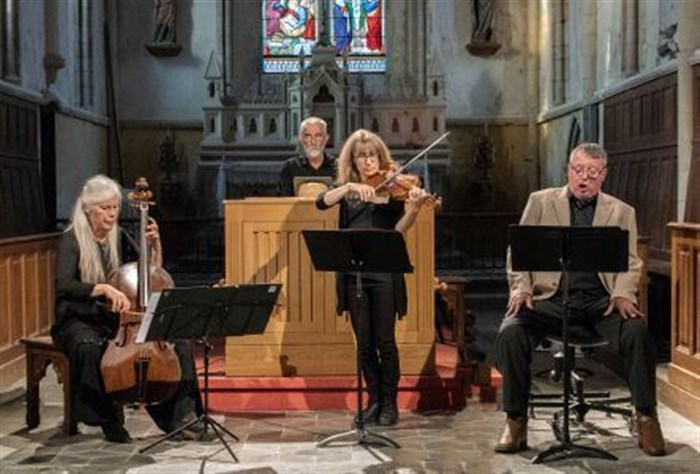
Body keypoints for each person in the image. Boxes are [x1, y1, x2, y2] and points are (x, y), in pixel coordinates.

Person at [493, 143, 666, 456]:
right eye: (578, 170)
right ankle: (515, 420)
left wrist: (622, 293)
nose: (584, 178)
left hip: (601, 303)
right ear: (568, 170)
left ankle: (646, 417)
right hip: (549, 300)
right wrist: (521, 289)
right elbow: (517, 252)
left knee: (637, 332)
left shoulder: (621, 211)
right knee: (511, 332)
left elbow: (631, 262)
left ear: (604, 175)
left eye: (592, 172)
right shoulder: (540, 201)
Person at [51, 175, 205, 443]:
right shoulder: (71, 239)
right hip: (80, 318)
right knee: (88, 348)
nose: (111, 214)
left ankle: (182, 416)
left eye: (115, 208)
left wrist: (154, 245)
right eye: (105, 208)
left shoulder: (118, 236)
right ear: (88, 209)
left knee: (177, 342)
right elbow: (63, 285)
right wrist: (102, 288)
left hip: (118, 319)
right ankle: (108, 420)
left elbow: (149, 274)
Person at [315, 129, 432, 426]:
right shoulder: (346, 187)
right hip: (353, 273)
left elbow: (398, 231)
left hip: (383, 273)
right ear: (352, 160)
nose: (368, 161)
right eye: (361, 156)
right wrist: (349, 187)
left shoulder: (392, 187)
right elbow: (321, 202)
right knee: (364, 342)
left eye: (373, 155)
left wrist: (413, 209)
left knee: (385, 341)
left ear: (381, 157)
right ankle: (373, 400)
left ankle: (390, 402)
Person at [280, 117, 337, 196]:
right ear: (301, 139)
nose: (313, 142)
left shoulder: (338, 167)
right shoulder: (290, 167)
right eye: (308, 136)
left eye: (318, 136)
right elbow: (285, 200)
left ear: (326, 138)